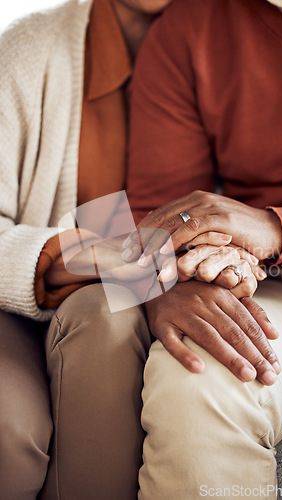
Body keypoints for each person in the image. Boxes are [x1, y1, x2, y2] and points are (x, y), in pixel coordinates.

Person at [125, 0, 282, 497]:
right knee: (195, 377)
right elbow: (149, 217)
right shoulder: (189, 25)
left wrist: (280, 228)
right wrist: (164, 286)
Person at [0, 0, 178, 498]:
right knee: (9, 436)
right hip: (17, 303)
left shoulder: (233, 52)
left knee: (106, 317)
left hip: (139, 305)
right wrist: (74, 251)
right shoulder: (31, 48)